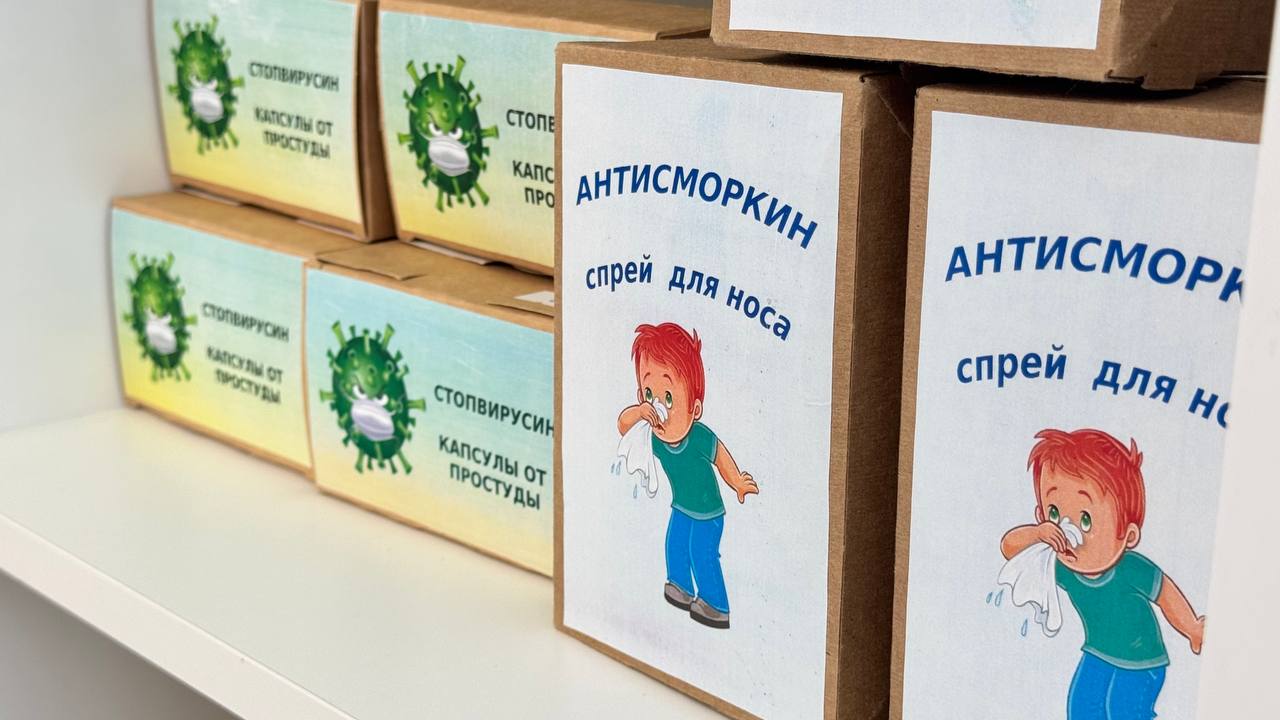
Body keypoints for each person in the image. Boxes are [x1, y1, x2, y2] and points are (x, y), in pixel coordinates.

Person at [1000, 428, 1205, 720]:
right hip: (1097, 655)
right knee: (1081, 709)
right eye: (1054, 513)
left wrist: (1192, 628)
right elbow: (1010, 549)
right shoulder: (1064, 566)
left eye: (1085, 520)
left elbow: (1166, 594)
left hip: (1142, 662)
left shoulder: (1130, 568)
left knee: (1122, 711)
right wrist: (1037, 534)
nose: (1068, 530)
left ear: (1128, 535)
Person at [617, 322, 758, 629]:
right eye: (649, 394)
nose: (659, 407)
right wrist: (639, 412)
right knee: (675, 544)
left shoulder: (698, 437)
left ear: (695, 408)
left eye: (668, 399)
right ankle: (680, 586)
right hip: (681, 507)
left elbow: (720, 455)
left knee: (701, 552)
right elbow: (623, 426)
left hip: (709, 513)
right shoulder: (655, 437)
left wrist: (736, 481)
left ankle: (715, 604)